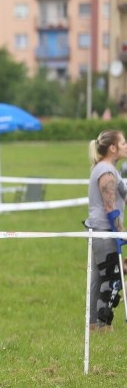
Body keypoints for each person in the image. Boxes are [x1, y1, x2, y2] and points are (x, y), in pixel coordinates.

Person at [84, 130, 127, 331]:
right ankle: (103, 325)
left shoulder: (107, 169)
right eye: (123, 143)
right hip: (105, 231)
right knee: (111, 278)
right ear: (112, 148)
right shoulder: (106, 172)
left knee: (98, 278)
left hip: (98, 230)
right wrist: (120, 232)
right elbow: (110, 207)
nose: (126, 146)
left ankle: (93, 324)